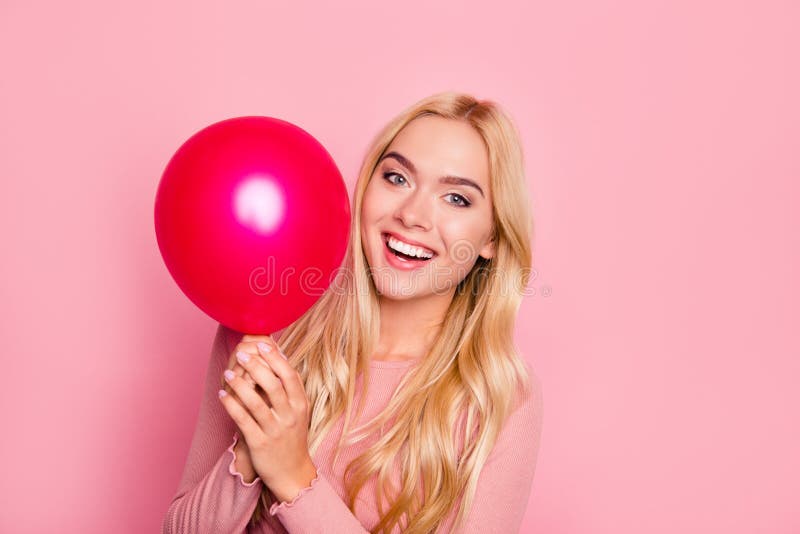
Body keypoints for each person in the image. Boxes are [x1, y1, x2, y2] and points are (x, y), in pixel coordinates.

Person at [162, 91, 544, 533]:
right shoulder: (265, 329)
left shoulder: (499, 396)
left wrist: (293, 475)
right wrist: (251, 448)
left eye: (456, 199)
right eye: (397, 178)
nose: (413, 215)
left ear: (492, 238)